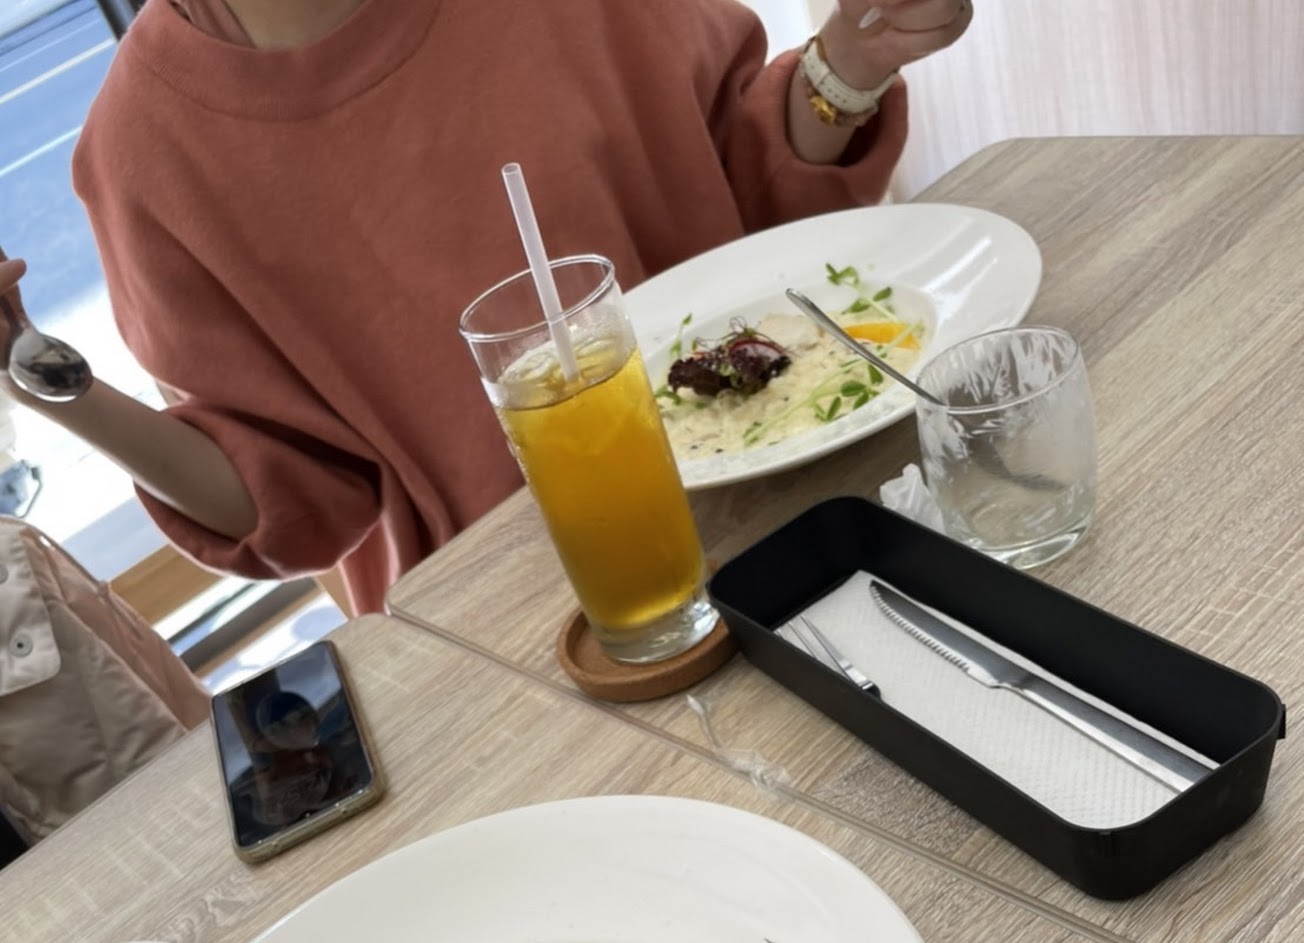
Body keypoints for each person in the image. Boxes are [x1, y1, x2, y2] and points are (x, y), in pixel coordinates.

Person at [0, 0, 971, 615]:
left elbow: (745, 200)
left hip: (814, 494)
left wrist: (846, 67)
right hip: (533, 629)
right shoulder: (143, 151)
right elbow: (285, 500)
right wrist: (34, 372)